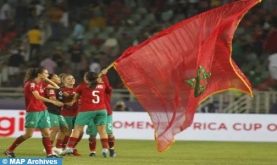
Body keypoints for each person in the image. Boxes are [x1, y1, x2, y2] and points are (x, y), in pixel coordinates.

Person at [3, 67, 63, 158]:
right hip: (33, 111)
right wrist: (53, 101)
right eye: (46, 73)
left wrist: (46, 79)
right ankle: (9, 150)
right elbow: (37, 97)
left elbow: (57, 87)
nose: (47, 75)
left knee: (46, 133)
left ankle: (49, 154)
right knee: (28, 135)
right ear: (39, 74)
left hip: (43, 110)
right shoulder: (31, 84)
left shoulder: (41, 83)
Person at [61, 70, 110, 157]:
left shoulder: (81, 87)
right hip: (102, 110)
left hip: (87, 110)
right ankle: (105, 149)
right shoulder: (102, 86)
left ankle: (69, 148)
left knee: (77, 130)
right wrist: (104, 76)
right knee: (102, 131)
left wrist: (72, 102)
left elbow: (75, 98)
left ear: (86, 78)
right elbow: (108, 88)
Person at [86, 73, 116, 157]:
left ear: (103, 81)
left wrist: (105, 75)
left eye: (100, 79)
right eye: (96, 79)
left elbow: (108, 86)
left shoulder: (106, 90)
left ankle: (111, 149)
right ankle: (92, 152)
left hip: (106, 113)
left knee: (109, 134)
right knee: (92, 135)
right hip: (92, 113)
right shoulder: (89, 89)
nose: (98, 80)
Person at [44, 74, 68, 155]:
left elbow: (66, 95)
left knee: (65, 128)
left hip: (57, 111)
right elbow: (52, 98)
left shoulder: (58, 88)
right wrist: (62, 103)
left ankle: (58, 147)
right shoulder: (50, 87)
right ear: (51, 79)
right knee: (55, 129)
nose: (59, 78)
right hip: (50, 110)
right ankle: (49, 148)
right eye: (56, 77)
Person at [60, 74, 82, 156]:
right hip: (66, 113)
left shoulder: (77, 89)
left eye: (72, 78)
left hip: (77, 113)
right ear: (64, 81)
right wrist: (66, 103)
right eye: (69, 79)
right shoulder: (61, 90)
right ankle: (64, 148)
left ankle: (71, 148)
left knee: (81, 132)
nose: (72, 80)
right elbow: (59, 101)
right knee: (68, 132)